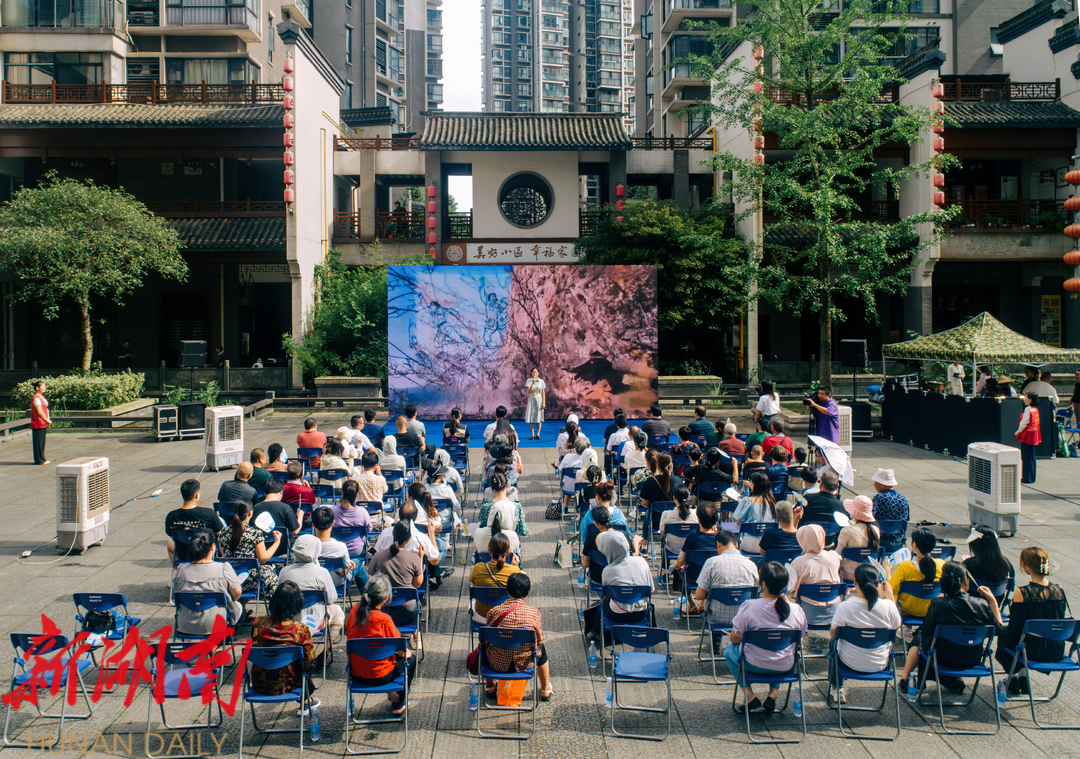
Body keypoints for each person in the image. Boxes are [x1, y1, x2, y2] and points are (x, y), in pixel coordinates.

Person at [900, 560, 1005, 695]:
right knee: (958, 641)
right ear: (965, 581)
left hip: (942, 656)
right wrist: (993, 602)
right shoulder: (982, 604)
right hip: (972, 657)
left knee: (919, 636)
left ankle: (905, 677)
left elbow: (926, 631)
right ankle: (958, 679)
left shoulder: (938, 604)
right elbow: (999, 630)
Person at [726, 562, 807, 714]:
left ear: (763, 584)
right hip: (784, 665)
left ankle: (750, 696)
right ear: (785, 585)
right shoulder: (796, 610)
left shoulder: (749, 606)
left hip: (753, 663)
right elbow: (799, 639)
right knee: (779, 649)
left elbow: (735, 638)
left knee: (729, 650)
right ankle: (772, 695)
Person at [996, 546, 1068, 694]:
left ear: (1027, 566)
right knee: (1022, 638)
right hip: (1055, 649)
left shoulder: (1022, 593)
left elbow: (1014, 630)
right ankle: (1022, 677)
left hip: (1031, 650)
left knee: (1005, 635)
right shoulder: (1059, 591)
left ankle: (1014, 676)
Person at [829, 564, 901, 703]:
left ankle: (837, 687)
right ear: (878, 584)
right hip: (880, 663)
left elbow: (833, 634)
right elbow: (896, 626)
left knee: (833, 643)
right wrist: (891, 598)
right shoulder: (888, 606)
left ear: (855, 582)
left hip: (849, 662)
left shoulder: (845, 607)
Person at [345, 574, 415, 716]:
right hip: (381, 675)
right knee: (411, 660)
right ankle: (399, 701)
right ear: (385, 598)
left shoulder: (354, 611)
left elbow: (348, 631)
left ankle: (393, 695)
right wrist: (406, 652)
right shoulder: (384, 620)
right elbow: (400, 649)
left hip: (356, 672)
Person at [483, 573, 554, 701]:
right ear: (527, 593)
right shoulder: (534, 613)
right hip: (524, 663)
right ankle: (545, 689)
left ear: (507, 591)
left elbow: (486, 639)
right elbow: (538, 640)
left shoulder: (494, 612)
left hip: (496, 663)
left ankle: (490, 687)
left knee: (485, 647)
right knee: (541, 648)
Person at [250, 581, 322, 700]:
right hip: (290, 684)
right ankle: (306, 699)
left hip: (260, 683)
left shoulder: (257, 623)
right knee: (306, 675)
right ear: (296, 603)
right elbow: (310, 663)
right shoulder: (300, 629)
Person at [372, 486, 454, 587]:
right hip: (413, 580)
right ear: (414, 518)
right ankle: (435, 573)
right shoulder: (420, 538)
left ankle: (436, 573)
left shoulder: (386, 533)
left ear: (399, 515)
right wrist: (431, 534)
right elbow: (435, 560)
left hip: (386, 580)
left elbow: (375, 554)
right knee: (440, 547)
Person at [689, 530, 759, 642]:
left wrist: (711, 593)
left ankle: (716, 642)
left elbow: (699, 595)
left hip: (716, 618)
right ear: (736, 545)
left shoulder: (712, 562)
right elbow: (756, 592)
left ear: (718, 544)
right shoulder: (751, 565)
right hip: (744, 617)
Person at [172, 527, 242, 635]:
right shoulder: (223, 568)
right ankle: (219, 643)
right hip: (216, 625)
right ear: (212, 547)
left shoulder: (181, 570)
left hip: (185, 625)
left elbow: (175, 597)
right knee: (240, 609)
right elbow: (237, 594)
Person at [888, 528, 944, 658]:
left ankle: (907, 630)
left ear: (914, 546)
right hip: (930, 610)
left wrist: (886, 570)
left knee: (895, 593)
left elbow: (890, 589)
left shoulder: (905, 567)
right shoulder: (941, 565)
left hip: (908, 610)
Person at [587, 530, 653, 640]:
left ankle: (597, 632)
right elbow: (650, 590)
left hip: (616, 615)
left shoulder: (608, 570)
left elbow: (606, 597)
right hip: (641, 613)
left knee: (598, 607)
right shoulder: (641, 561)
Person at [277, 534, 342, 639]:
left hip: (289, 624)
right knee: (338, 611)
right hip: (315, 623)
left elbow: (278, 599)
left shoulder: (284, 572)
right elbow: (331, 599)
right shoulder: (322, 572)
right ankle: (327, 647)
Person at [219, 498, 281, 607]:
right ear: (250, 513)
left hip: (229, 579)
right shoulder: (255, 533)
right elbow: (263, 559)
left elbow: (223, 555)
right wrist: (277, 542)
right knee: (271, 573)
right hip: (249, 580)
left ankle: (242, 608)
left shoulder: (223, 532)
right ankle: (275, 609)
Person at [366, 522, 424, 627]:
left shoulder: (377, 556)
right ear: (408, 539)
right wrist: (420, 558)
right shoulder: (414, 558)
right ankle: (416, 633)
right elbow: (417, 584)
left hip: (382, 610)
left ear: (393, 533)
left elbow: (370, 580)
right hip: (407, 612)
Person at [790, 524, 843, 626]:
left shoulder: (799, 562)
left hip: (807, 616)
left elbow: (791, 588)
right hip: (834, 614)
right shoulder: (834, 556)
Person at [165, 479, 222, 564]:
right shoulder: (208, 513)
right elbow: (219, 533)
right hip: (205, 553)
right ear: (196, 495)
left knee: (169, 544)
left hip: (184, 554)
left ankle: (179, 568)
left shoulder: (171, 516)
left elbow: (172, 536)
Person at [469, 532, 522, 621]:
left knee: (471, 604)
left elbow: (474, 587)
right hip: (505, 617)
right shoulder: (515, 571)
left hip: (482, 617)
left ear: (489, 550)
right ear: (508, 552)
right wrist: (514, 567)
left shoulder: (478, 568)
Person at [331, 480, 374, 583]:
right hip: (356, 551)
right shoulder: (362, 512)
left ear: (342, 492)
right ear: (357, 494)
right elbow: (369, 529)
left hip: (337, 551)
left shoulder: (332, 511)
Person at [311, 505, 361, 592]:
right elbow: (343, 573)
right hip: (337, 582)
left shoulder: (310, 546)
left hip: (317, 582)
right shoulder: (341, 547)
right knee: (358, 564)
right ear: (333, 523)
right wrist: (347, 565)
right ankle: (368, 596)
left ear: (313, 525)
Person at [962, 526, 1014, 604]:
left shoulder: (970, 564)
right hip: (996, 604)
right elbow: (1011, 584)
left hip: (973, 604)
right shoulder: (1006, 563)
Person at [474, 473, 521, 555]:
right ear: (507, 485)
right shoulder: (513, 536)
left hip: (485, 562)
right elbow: (523, 532)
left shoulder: (478, 533)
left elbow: (481, 521)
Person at [837, 495, 881, 582]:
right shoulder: (875, 530)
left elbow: (837, 555)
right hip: (870, 575)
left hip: (850, 575)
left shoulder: (847, 531)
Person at [253, 479, 301, 557]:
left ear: (265, 493)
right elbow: (295, 532)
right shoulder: (285, 508)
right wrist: (300, 517)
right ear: (281, 492)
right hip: (281, 550)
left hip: (260, 551)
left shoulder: (254, 508)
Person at [733, 472, 778, 554]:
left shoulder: (747, 501)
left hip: (749, 544)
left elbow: (738, 522)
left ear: (753, 484)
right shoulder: (772, 503)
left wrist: (741, 505)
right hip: (767, 545)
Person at [638, 452, 682, 529]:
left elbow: (645, 503)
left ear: (657, 465)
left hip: (655, 520)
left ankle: (645, 537)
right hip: (674, 520)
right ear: (670, 464)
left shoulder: (650, 481)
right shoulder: (678, 480)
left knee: (647, 515)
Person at [869, 467, 908, 553]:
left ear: (883, 485)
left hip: (879, 541)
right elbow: (905, 520)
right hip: (897, 543)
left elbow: (869, 517)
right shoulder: (903, 499)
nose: (874, 484)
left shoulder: (878, 498)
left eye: (876, 482)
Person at [657, 484, 699, 556]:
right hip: (690, 549)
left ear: (674, 498)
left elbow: (662, 533)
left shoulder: (666, 515)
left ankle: (665, 563)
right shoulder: (696, 514)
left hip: (672, 548)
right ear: (689, 497)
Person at [1016, 391, 1042, 484]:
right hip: (1034, 435)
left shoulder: (1028, 410)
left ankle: (1027, 478)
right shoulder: (1035, 409)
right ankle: (1031, 477)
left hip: (1027, 436)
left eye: (1026, 398)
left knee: (1026, 457)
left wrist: (1018, 431)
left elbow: (1024, 422)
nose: (1024, 399)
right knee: (1032, 457)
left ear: (1030, 400)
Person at [29, 380, 50, 465]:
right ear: (37, 388)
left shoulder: (42, 397)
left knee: (42, 442)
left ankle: (42, 458)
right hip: (38, 422)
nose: (44, 388)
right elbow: (40, 412)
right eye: (43, 386)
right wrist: (47, 420)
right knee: (38, 442)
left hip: (43, 422)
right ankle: (39, 460)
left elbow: (46, 409)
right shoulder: (36, 398)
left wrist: (47, 419)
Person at [525, 368, 547, 440]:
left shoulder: (541, 381)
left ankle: (538, 434)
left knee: (539, 417)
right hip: (531, 398)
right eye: (533, 372)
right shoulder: (529, 380)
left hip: (539, 398)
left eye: (536, 372)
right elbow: (529, 390)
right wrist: (532, 382)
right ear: (531, 373)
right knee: (531, 416)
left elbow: (543, 392)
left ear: (538, 373)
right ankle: (532, 434)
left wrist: (543, 402)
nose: (534, 373)